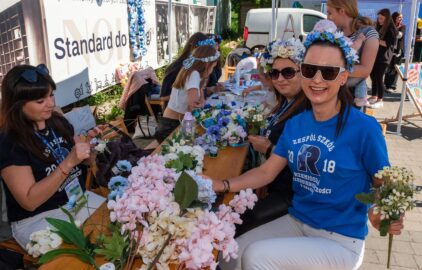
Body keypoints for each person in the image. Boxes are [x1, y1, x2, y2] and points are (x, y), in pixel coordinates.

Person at [215, 21, 404, 270]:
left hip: (341, 240)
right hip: (297, 221)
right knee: (228, 253)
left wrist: (386, 212)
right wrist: (222, 184)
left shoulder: (364, 128)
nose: (316, 79)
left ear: (343, 77)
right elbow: (266, 172)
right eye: (309, 69)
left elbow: (385, 184)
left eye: (328, 72)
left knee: (257, 258)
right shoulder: (296, 124)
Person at [0, 64, 103, 248]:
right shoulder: (10, 141)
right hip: (37, 219)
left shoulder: (57, 122)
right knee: (78, 256)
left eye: (51, 95)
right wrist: (70, 161)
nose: (51, 104)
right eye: (41, 101)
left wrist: (88, 152)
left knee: (120, 224)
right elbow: (29, 202)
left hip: (77, 201)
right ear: (17, 105)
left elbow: (83, 162)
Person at [236, 38, 307, 236]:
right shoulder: (286, 101)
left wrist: (268, 148)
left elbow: (302, 161)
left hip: (290, 196)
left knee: (239, 224)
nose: (279, 78)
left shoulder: (305, 109)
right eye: (274, 73)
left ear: (304, 71)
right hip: (273, 183)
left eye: (288, 72)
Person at [154, 45, 220, 142]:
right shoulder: (194, 75)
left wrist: (201, 95)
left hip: (172, 123)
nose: (212, 70)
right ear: (207, 65)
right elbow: (193, 108)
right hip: (171, 127)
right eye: (213, 67)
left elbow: (199, 100)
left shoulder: (195, 73)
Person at [327, 0, 379, 107]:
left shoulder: (368, 33)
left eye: (330, 13)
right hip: (329, 94)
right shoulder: (333, 32)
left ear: (342, 11)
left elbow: (365, 70)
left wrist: (328, 70)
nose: (328, 17)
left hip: (352, 98)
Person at [160, 32, 208, 98]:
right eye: (202, 51)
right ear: (194, 48)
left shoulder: (197, 66)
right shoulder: (177, 67)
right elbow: (164, 96)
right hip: (176, 107)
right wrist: (188, 96)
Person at [370, 8, 398, 108]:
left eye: (381, 19)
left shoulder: (391, 29)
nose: (379, 20)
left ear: (387, 18)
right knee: (373, 75)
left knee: (378, 77)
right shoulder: (379, 27)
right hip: (376, 56)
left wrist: (375, 39)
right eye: (378, 18)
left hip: (384, 57)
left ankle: (380, 99)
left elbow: (387, 44)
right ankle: (373, 96)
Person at [385, 12, 406, 91]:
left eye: (401, 17)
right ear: (394, 18)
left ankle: (392, 85)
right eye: (399, 17)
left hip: (398, 50)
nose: (401, 19)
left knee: (396, 68)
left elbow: (399, 35)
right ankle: (386, 85)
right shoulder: (389, 26)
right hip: (390, 49)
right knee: (388, 67)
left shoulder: (403, 26)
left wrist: (392, 29)